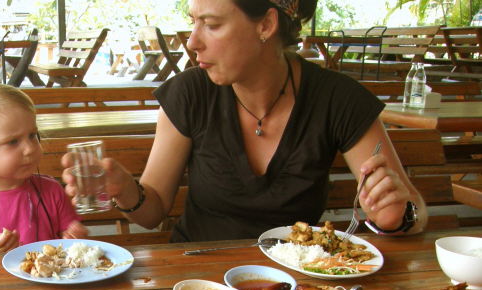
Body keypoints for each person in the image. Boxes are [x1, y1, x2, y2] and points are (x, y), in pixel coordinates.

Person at [63, 0, 428, 242]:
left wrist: (397, 217)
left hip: (295, 284)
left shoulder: (337, 99)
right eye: (194, 23)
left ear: (266, 25)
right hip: (197, 283)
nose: (193, 42)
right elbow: (152, 210)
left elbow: (415, 210)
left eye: (211, 25)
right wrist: (125, 188)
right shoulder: (190, 93)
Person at [0, 83, 87, 254]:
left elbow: (74, 246)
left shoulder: (52, 191)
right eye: (13, 141)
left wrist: (76, 238)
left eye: (32, 136)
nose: (29, 149)